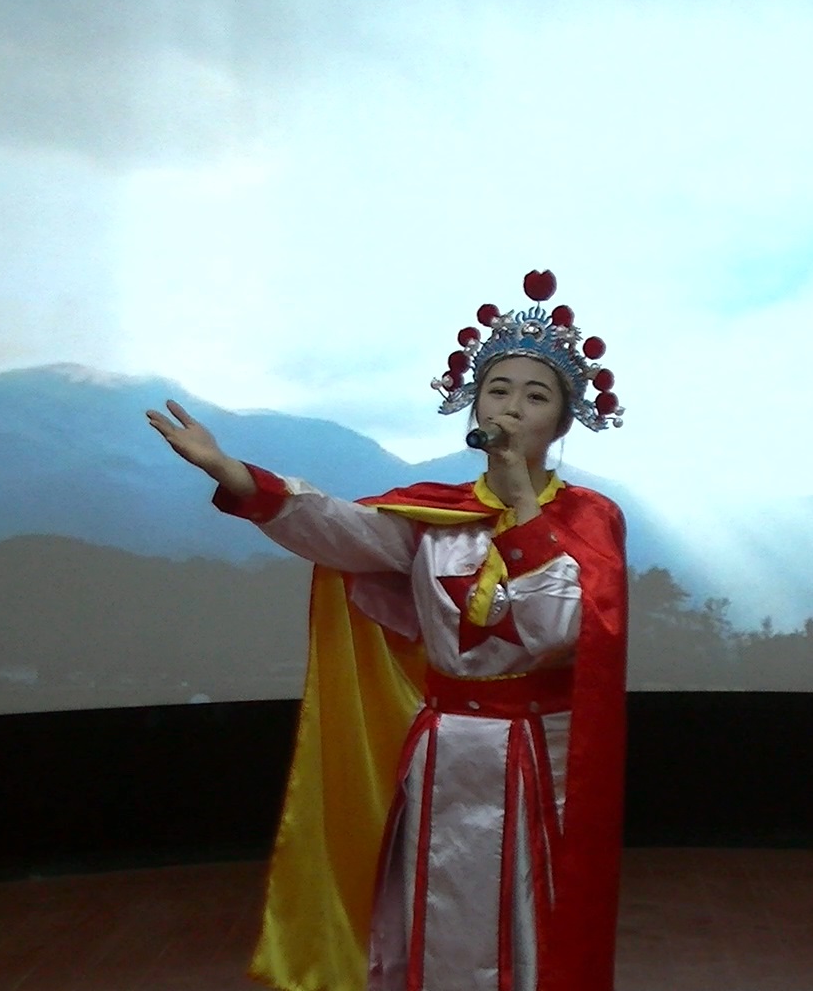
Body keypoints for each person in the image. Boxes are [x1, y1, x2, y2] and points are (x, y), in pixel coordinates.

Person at [146, 270, 629, 991]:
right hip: (445, 749)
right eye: (497, 390)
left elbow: (556, 627)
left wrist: (523, 506)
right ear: (475, 403)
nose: (512, 408)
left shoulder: (589, 521)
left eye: (536, 396)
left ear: (562, 421)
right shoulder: (430, 516)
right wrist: (234, 473)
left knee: (532, 910)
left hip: (541, 754)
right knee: (436, 904)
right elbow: (337, 527)